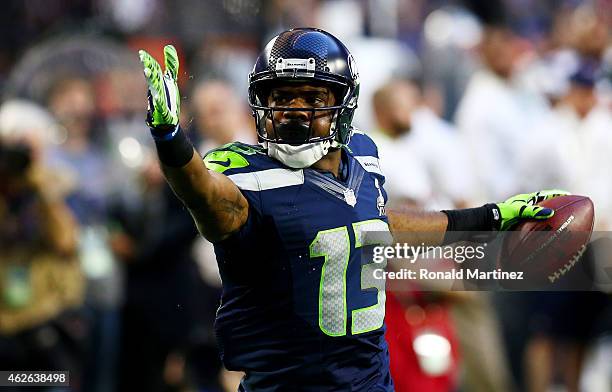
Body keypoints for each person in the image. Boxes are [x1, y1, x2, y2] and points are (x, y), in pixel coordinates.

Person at [138, 28, 561, 391]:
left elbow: (374, 222)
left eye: (312, 97)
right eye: (281, 96)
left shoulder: (363, 155)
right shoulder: (246, 175)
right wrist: (172, 141)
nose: (294, 112)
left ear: (344, 102)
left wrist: (487, 219)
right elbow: (205, 195)